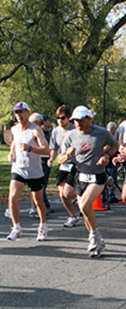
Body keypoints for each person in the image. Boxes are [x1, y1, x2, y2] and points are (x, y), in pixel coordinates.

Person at [61, 106, 118, 257]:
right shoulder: (71, 135)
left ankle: (94, 236)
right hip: (80, 175)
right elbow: (59, 159)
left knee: (84, 205)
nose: (78, 123)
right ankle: (98, 240)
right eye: (75, 120)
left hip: (97, 175)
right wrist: (66, 156)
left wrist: (107, 156)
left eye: (81, 120)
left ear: (89, 119)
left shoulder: (101, 132)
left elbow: (115, 144)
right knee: (85, 212)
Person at [6, 102, 50, 241]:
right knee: (12, 198)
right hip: (18, 169)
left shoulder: (35, 130)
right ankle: (16, 227)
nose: (19, 115)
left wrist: (30, 148)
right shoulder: (14, 129)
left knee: (38, 202)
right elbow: (14, 143)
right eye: (17, 112)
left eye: (22, 112)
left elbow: (46, 150)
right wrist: (11, 153)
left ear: (28, 113)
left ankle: (43, 226)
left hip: (34, 171)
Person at [48, 105, 80, 227]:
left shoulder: (75, 130)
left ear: (69, 118)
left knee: (69, 193)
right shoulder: (56, 131)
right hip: (63, 164)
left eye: (63, 118)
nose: (60, 120)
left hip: (75, 164)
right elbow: (54, 148)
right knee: (62, 194)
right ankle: (73, 216)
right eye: (57, 118)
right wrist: (51, 159)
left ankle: (85, 193)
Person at [28, 113, 52, 213]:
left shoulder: (47, 133)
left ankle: (41, 205)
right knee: (38, 184)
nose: (50, 122)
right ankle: (38, 206)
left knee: (44, 183)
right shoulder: (36, 131)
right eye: (48, 120)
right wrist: (39, 157)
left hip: (47, 159)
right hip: (40, 159)